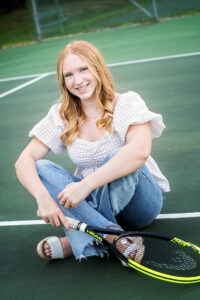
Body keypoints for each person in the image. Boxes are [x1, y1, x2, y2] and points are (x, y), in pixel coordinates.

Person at [15, 40, 170, 263]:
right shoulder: (62, 114)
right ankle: (111, 236)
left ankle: (77, 237)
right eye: (68, 75)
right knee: (39, 169)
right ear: (63, 80)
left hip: (139, 203)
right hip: (90, 199)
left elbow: (140, 151)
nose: (77, 81)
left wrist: (85, 185)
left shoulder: (126, 102)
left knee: (117, 156)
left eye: (83, 69)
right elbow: (23, 161)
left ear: (97, 68)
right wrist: (43, 198)